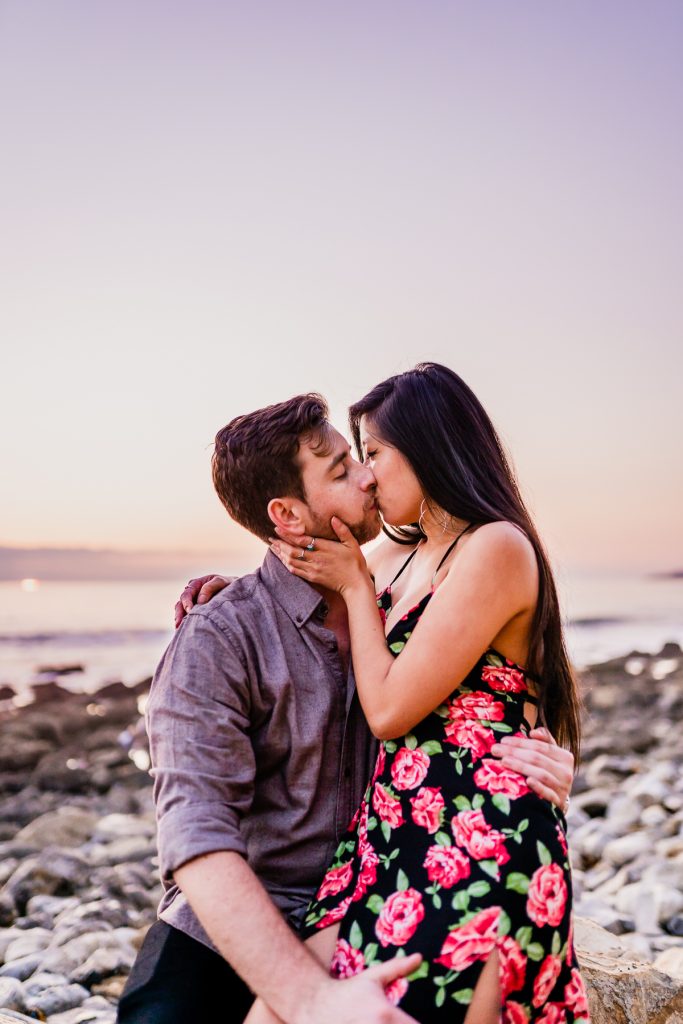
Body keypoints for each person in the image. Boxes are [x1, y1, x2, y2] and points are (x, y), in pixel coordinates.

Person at [117, 389, 575, 1024]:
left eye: (370, 455)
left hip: (400, 869)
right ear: (288, 515)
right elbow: (196, 830)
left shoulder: (394, 576)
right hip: (244, 918)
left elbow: (498, 675)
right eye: (345, 466)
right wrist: (307, 998)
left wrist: (545, 749)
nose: (366, 475)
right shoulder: (225, 633)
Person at [244, 364, 589, 1024]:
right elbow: (293, 578)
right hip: (385, 843)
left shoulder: (494, 547)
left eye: (373, 453)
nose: (366, 476)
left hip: (478, 844)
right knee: (277, 1010)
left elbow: (390, 710)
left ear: (428, 447)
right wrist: (221, 598)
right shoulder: (391, 560)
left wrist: (351, 590)